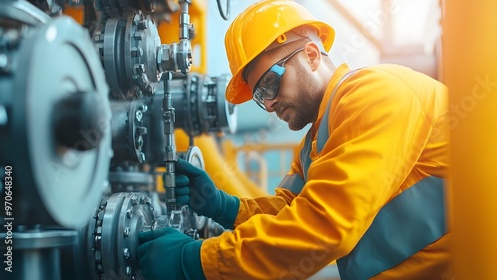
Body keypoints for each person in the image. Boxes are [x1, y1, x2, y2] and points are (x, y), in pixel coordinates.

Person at [136, 0, 452, 279]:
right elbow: (290, 211)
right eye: (259, 96)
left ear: (312, 55)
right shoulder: (316, 142)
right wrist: (225, 207)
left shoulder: (375, 95)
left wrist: (196, 262)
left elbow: (322, 226)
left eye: (270, 85)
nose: (269, 104)